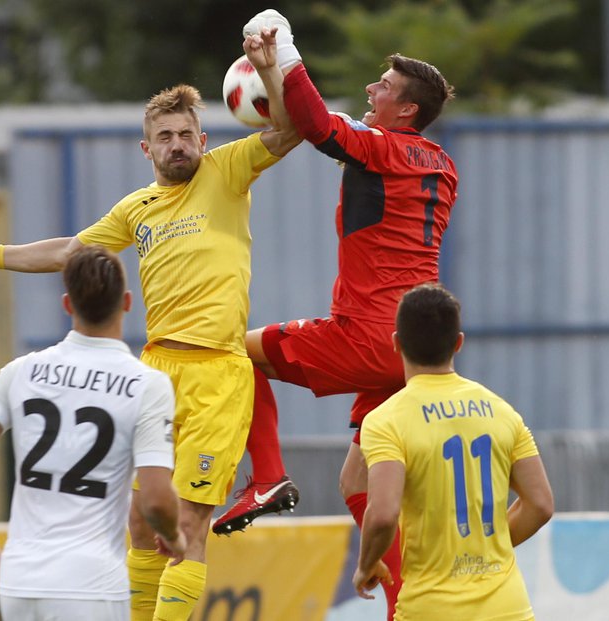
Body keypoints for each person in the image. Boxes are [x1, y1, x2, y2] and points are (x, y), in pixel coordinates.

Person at [0, 78, 300, 619]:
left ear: (203, 139)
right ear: (146, 149)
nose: (178, 144)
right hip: (156, 371)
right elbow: (70, 251)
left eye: (187, 134)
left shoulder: (227, 171)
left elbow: (291, 130)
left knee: (190, 523)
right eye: (165, 136)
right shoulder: (136, 208)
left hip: (218, 373)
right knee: (140, 521)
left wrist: (271, 71)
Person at [214, 11, 458, 619]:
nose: (373, 90)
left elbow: (322, 128)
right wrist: (272, 73)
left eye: (384, 86)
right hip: (410, 350)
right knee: (357, 483)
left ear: (406, 111)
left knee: (234, 351)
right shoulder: (437, 162)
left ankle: (266, 476)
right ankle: (410, 605)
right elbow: (322, 122)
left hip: (369, 334)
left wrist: (287, 49)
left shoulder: (387, 150)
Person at [0, 245, 185, 621]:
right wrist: (172, 535)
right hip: (91, 585)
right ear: (128, 302)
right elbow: (155, 500)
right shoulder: (147, 385)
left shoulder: (23, 371)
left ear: (68, 305)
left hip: (20, 585)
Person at [353, 283, 554, 620]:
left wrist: (365, 565)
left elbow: (384, 513)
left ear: (396, 343)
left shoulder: (385, 420)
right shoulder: (502, 411)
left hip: (431, 609)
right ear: (458, 343)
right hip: (508, 609)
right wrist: (488, 550)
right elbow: (541, 504)